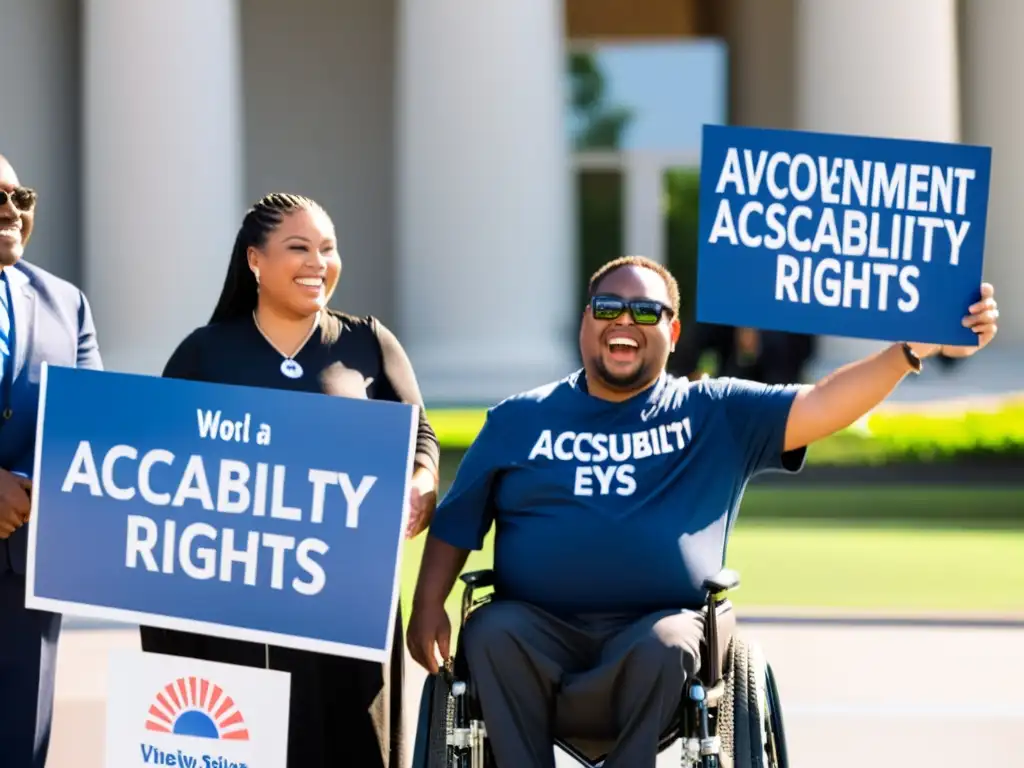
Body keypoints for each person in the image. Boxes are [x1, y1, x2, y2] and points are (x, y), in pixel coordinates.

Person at [407, 254, 999, 767]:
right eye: (609, 306)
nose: (625, 321)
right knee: (490, 631)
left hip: (657, 626)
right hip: (535, 628)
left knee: (666, 644)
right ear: (586, 321)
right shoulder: (518, 418)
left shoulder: (714, 409)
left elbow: (824, 402)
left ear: (674, 329)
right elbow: (459, 520)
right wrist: (430, 602)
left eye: (646, 312)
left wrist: (909, 350)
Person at [138, 192, 440, 768]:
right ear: (255, 260)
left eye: (327, 248)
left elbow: (418, 433)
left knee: (354, 744)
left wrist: (421, 482)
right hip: (232, 601)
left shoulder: (367, 341)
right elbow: (155, 461)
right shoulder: (205, 354)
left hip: (347, 594)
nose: (318, 262)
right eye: (298, 247)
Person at [0, 155, 104, 768]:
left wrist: (37, 488)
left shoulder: (66, 303)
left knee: (21, 744)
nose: (12, 211)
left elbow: (90, 426)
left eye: (21, 197)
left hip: (30, 567)